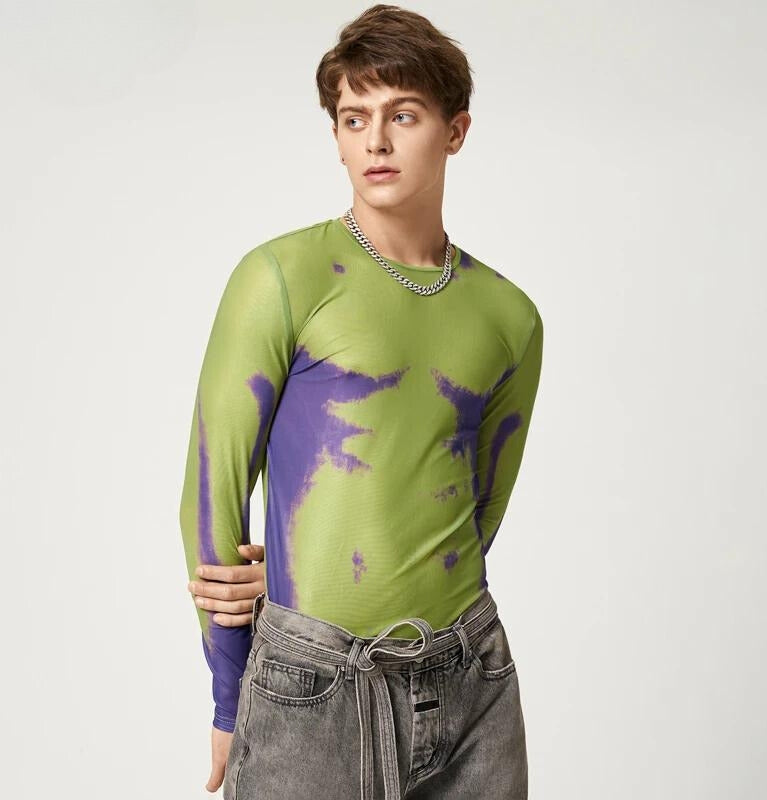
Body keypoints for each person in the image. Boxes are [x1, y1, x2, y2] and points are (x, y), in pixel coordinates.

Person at [178, 4, 545, 797]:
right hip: (311, 688)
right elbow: (211, 494)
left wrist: (364, 560)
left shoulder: (509, 318)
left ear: (455, 131)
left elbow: (477, 515)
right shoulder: (281, 278)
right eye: (354, 118)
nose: (375, 141)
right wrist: (229, 697)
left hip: (469, 680)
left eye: (402, 115)